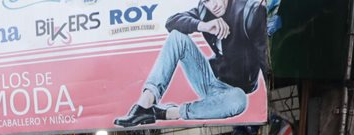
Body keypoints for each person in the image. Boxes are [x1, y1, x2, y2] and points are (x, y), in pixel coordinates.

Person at [114, 0, 267, 127]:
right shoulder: (204, 12)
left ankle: (168, 113)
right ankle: (144, 104)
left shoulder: (250, 12)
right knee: (176, 36)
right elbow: (172, 22)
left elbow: (264, 56)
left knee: (239, 99)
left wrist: (270, 99)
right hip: (209, 79)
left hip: (233, 91)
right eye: (207, 0)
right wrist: (203, 25)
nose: (214, 4)